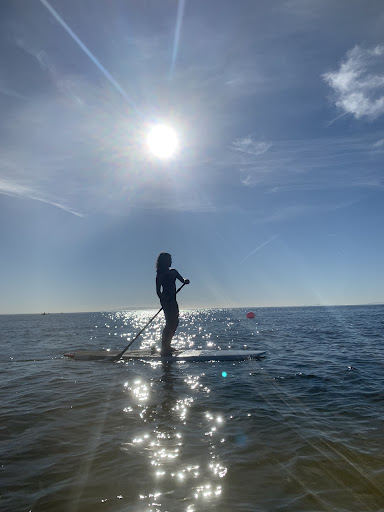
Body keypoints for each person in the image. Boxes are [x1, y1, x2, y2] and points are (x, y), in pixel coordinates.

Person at [156, 252, 189, 356]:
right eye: (169, 260)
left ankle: (168, 345)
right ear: (164, 261)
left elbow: (182, 279)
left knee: (175, 322)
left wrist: (185, 281)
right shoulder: (160, 275)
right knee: (169, 322)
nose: (171, 261)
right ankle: (164, 347)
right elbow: (158, 291)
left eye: (171, 259)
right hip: (166, 301)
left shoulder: (174, 272)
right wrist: (163, 300)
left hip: (173, 300)